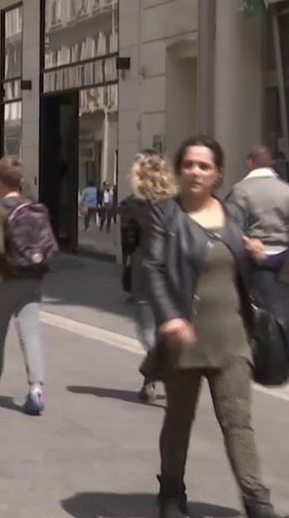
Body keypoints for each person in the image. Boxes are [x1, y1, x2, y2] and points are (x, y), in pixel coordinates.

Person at [142, 136, 289, 518]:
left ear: (218, 174)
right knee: (179, 420)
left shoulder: (233, 216)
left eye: (204, 166)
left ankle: (258, 503)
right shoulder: (166, 215)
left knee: (238, 423)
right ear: (179, 170)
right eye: (189, 164)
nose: (195, 171)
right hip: (185, 339)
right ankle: (171, 496)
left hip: (232, 338)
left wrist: (256, 256)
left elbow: (242, 267)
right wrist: (170, 318)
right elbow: (152, 269)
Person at [227, 145, 289, 377]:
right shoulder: (286, 189)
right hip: (279, 252)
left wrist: (249, 244)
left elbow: (233, 225)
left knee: (270, 304)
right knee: (260, 299)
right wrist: (283, 248)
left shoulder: (241, 190)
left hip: (254, 253)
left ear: (251, 162)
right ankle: (255, 349)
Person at [0, 156, 46, 415]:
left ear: (0, 181)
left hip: (3, 281)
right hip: (32, 279)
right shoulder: (33, 207)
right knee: (30, 335)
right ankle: (36, 390)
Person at [120, 150, 177, 403]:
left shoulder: (131, 205)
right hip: (175, 269)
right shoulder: (177, 203)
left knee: (147, 328)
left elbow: (127, 242)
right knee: (167, 326)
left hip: (145, 268)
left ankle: (156, 372)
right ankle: (151, 379)